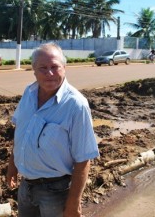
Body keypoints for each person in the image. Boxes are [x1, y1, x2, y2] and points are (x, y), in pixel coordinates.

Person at [6, 42, 100, 217]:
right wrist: (13, 166)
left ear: (64, 68)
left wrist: (74, 203)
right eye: (43, 68)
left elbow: (84, 159)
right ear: (33, 69)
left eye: (55, 67)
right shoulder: (29, 93)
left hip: (56, 192)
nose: (49, 73)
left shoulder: (76, 105)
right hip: (26, 187)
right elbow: (21, 133)